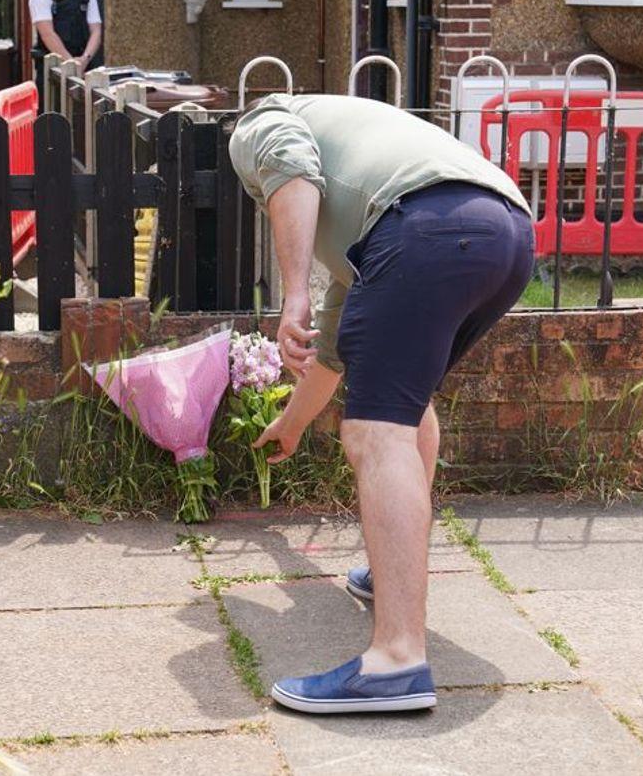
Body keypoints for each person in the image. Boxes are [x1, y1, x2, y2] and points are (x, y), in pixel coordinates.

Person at [228, 93, 534, 714]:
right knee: (402, 406)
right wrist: (290, 424)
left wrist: (292, 298)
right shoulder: (366, 191)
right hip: (506, 232)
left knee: (376, 434)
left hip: (427, 228)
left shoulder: (259, 121)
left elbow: (288, 162)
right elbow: (341, 351)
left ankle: (397, 659)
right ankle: (390, 575)